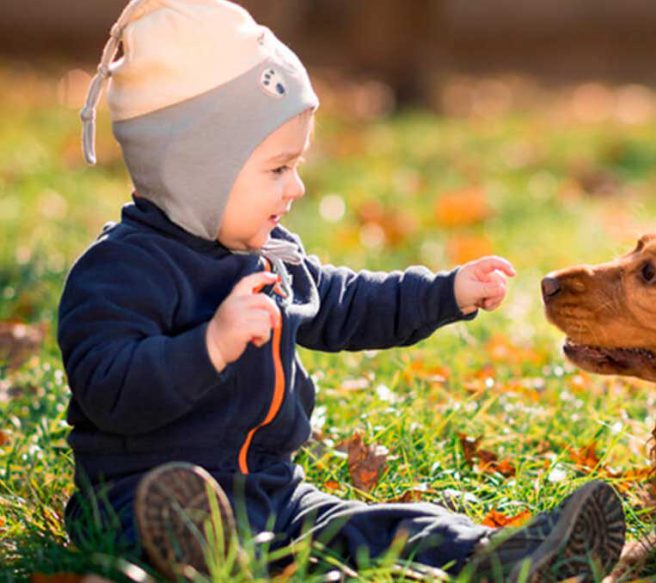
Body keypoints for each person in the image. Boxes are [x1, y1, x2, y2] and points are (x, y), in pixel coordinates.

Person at [59, 0, 625, 580]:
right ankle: (199, 552)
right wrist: (210, 346)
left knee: (380, 526)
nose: (297, 186)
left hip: (275, 493)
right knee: (197, 524)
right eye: (277, 169)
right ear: (196, 172)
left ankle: (496, 556)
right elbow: (108, 388)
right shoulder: (119, 272)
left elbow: (348, 302)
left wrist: (446, 293)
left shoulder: (270, 254)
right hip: (139, 498)